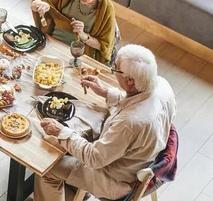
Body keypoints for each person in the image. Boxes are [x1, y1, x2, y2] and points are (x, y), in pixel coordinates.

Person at [34, 44, 176, 201]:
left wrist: (60, 131)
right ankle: (77, 189)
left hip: (116, 180)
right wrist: (105, 92)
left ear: (129, 80)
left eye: (115, 68)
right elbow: (138, 103)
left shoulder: (129, 124)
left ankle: (77, 188)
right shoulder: (162, 85)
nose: (112, 70)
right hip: (147, 158)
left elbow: (94, 158)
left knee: (46, 168)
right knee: (81, 134)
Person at [31, 0, 119, 66]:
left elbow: (105, 46)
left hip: (78, 55)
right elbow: (35, 3)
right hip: (52, 42)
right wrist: (41, 5)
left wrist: (84, 35)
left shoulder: (106, 9)